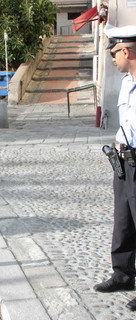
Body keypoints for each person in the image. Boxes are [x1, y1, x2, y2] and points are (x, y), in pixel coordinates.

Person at [93, 25, 136, 312]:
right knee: (123, 221)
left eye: (113, 54)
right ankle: (122, 274)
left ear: (126, 51)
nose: (112, 60)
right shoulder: (125, 82)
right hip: (123, 161)